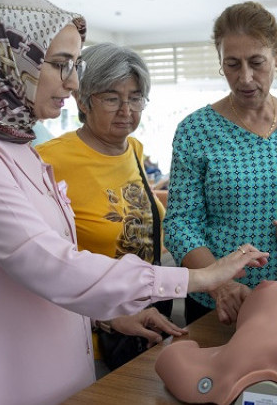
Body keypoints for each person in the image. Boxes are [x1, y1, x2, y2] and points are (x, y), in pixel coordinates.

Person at [0, 0, 269, 405]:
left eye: (75, 66)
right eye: (61, 65)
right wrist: (197, 277)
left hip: (49, 370)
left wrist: (107, 313)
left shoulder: (13, 144)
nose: (71, 83)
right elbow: (45, 262)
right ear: (2, 58)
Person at [163, 1, 277, 326]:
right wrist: (220, 284)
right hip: (222, 306)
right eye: (232, 64)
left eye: (256, 63)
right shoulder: (195, 130)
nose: (245, 78)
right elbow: (180, 224)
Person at [36, 42, 169, 375]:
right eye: (112, 98)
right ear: (82, 99)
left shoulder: (134, 149)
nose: (127, 111)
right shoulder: (48, 159)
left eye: (135, 97)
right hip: (91, 339)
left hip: (147, 325)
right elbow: (37, 260)